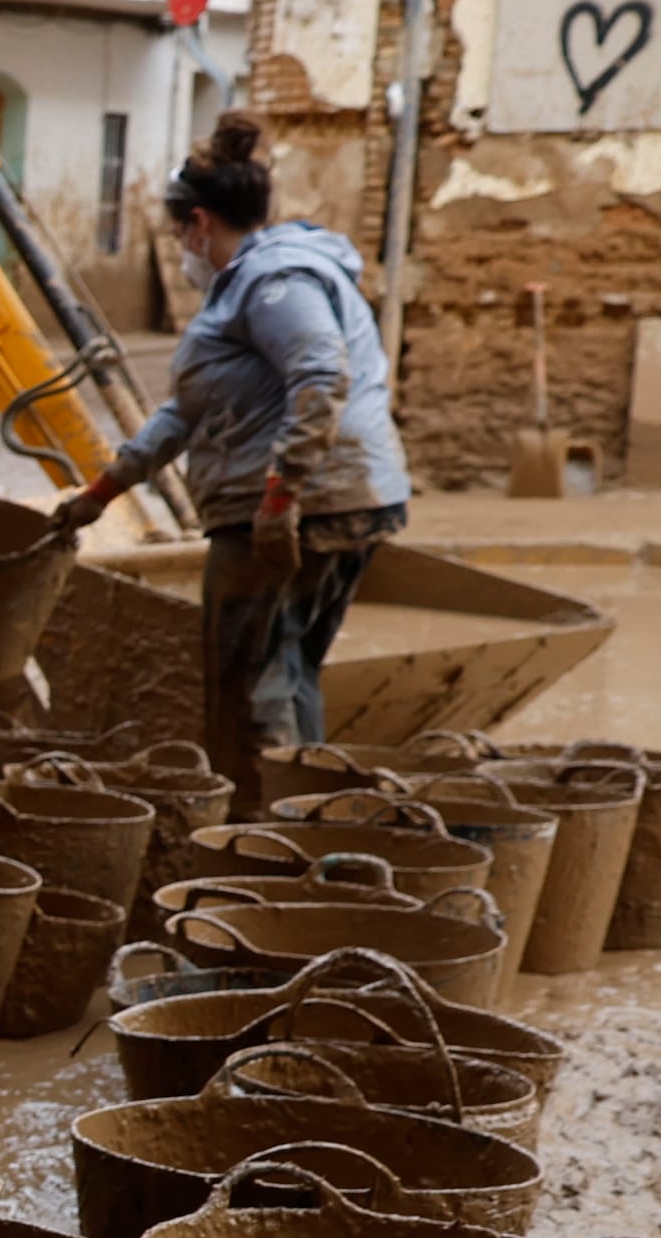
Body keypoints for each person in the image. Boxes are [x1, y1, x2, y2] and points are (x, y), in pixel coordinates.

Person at [47, 116, 410, 784]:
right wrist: (101, 494)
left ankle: (257, 839)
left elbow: (323, 375)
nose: (183, 246)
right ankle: (304, 824)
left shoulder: (274, 283)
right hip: (346, 496)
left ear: (199, 224)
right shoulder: (260, 281)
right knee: (291, 670)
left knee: (250, 686)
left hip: (291, 508)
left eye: (181, 231)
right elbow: (182, 415)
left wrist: (280, 498)